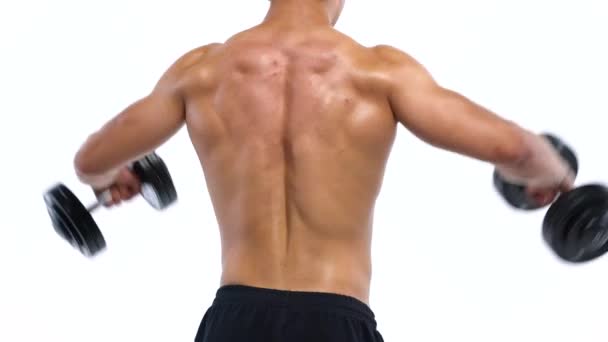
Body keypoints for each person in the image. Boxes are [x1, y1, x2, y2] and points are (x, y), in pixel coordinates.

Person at [72, 0, 575, 341]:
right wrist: (557, 178)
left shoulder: (201, 70)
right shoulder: (378, 71)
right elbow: (518, 151)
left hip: (234, 319)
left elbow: (91, 162)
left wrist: (114, 182)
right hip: (335, 320)